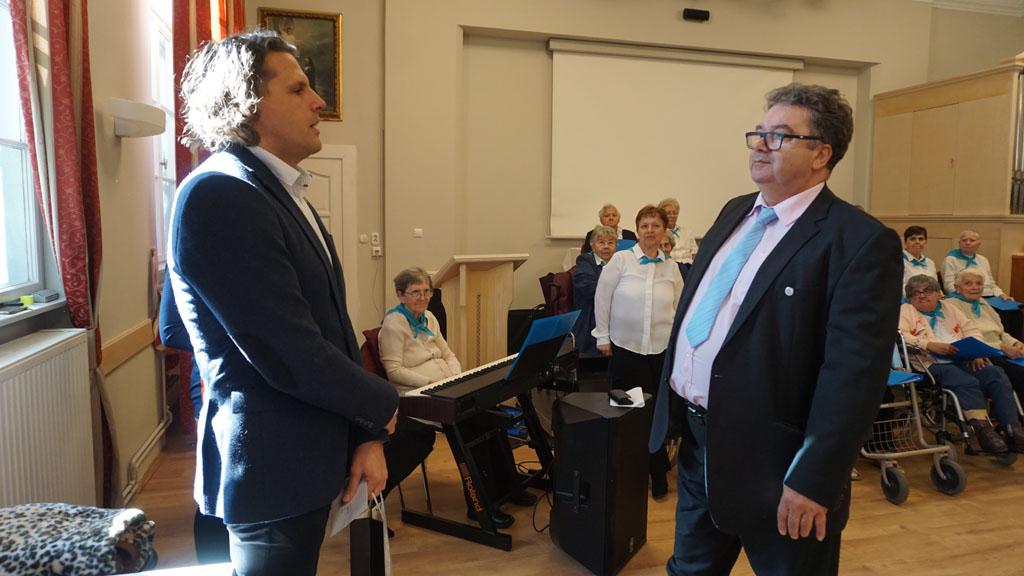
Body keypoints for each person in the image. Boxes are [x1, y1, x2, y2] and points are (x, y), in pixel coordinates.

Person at [170, 31, 399, 576]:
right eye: (297, 89)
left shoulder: (277, 192)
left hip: (307, 452)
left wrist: (365, 434)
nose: (319, 102)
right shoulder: (221, 194)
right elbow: (289, 351)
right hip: (272, 466)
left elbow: (333, 330)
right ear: (245, 104)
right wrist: (384, 402)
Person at [648, 83, 902, 575]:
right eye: (758, 133)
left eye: (780, 135)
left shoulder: (859, 241)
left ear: (821, 154)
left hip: (781, 467)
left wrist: (815, 478)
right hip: (700, 444)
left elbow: (854, 376)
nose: (760, 145)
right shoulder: (735, 211)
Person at [379, 267, 533, 528]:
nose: (423, 297)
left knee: (492, 416)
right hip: (415, 397)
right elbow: (394, 371)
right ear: (400, 295)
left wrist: (455, 377)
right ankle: (480, 505)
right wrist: (431, 383)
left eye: (426, 291)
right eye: (415, 292)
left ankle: (509, 487)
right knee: (472, 425)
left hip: (444, 389)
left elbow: (448, 354)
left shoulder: (429, 317)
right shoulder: (393, 324)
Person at [593, 205, 683, 498]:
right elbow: (602, 298)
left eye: (655, 225)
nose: (649, 231)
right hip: (626, 348)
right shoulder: (621, 260)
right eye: (644, 225)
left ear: (664, 230)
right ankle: (627, 472)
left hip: (660, 351)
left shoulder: (671, 268)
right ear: (637, 229)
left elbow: (680, 307)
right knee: (628, 412)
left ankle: (656, 471)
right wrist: (602, 336)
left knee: (655, 414)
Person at [900, 274, 1022, 453]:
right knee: (964, 380)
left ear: (938, 293)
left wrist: (976, 351)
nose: (921, 295)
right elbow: (901, 335)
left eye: (927, 291)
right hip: (931, 364)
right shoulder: (905, 311)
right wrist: (929, 345)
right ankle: (983, 431)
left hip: (962, 358)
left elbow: (972, 330)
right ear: (910, 297)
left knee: (995, 374)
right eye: (915, 293)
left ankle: (1013, 429)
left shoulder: (950, 308)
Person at [943, 269, 1024, 450]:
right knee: (1020, 373)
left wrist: (1016, 343)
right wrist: (1002, 348)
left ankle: (1014, 425)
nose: (975, 287)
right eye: (968, 283)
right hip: (983, 354)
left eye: (978, 283)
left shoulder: (983, 303)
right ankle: (1013, 426)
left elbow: (1001, 333)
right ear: (957, 287)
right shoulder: (950, 305)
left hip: (1002, 349)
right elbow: (963, 338)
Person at [572, 225, 616, 356]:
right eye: (601, 242)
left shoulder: (619, 262)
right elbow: (590, 289)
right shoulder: (585, 261)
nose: (606, 246)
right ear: (592, 245)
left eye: (610, 243)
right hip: (591, 317)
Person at [942, 230, 1010, 299]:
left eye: (972, 240)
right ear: (959, 243)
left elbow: (991, 283)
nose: (967, 243)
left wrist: (1001, 294)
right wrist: (965, 298)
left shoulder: (983, 259)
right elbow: (949, 285)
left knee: (1011, 304)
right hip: (965, 298)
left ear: (978, 244)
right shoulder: (951, 259)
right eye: (964, 240)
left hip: (989, 295)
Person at [658, 198, 698, 264]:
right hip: (669, 265)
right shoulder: (659, 233)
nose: (672, 216)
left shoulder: (687, 232)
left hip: (688, 266)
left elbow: (695, 254)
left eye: (674, 213)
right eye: (668, 213)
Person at [902, 225, 938, 292]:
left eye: (921, 239)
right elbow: (896, 288)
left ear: (926, 242)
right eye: (913, 239)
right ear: (905, 242)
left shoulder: (930, 262)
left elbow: (935, 286)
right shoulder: (896, 262)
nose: (917, 242)